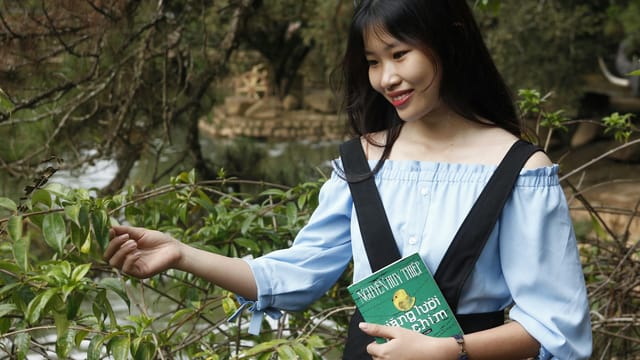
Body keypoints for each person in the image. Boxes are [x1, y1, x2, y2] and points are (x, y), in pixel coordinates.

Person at [105, 0, 593, 359]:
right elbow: (295, 274)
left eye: (400, 54)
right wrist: (182, 254)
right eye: (374, 62)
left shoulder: (521, 170)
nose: (386, 79)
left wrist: (449, 351)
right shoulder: (363, 161)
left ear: (452, 42)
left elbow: (555, 329)